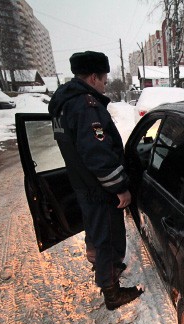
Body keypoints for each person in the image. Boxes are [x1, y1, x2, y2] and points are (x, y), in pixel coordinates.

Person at [48, 51, 143, 310]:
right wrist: (120, 188)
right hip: (99, 187)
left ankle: (105, 269)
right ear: (92, 77)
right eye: (103, 79)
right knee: (107, 238)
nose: (105, 84)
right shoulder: (86, 106)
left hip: (83, 183)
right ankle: (111, 292)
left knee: (97, 234)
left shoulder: (64, 102)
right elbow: (98, 153)